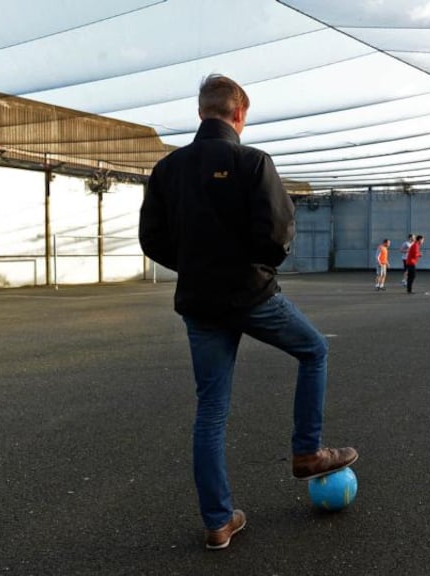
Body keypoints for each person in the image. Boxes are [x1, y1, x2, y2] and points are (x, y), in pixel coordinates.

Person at [139, 74, 357, 551]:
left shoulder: (167, 169)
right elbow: (278, 234)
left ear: (200, 113)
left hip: (200, 301)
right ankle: (306, 452)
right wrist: (250, 268)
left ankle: (218, 523)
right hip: (252, 297)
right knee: (314, 351)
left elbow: (151, 239)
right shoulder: (253, 161)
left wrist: (195, 266)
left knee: (212, 412)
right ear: (239, 115)